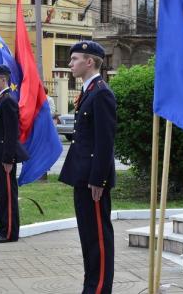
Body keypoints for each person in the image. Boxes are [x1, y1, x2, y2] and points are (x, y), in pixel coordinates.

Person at [59, 41, 117, 294]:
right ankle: (91, 285)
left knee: (99, 239)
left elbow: (105, 140)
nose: (70, 64)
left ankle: (99, 288)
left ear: (90, 62)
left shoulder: (101, 92)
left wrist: (98, 179)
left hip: (93, 179)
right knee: (88, 237)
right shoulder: (89, 90)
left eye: (74, 59)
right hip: (83, 176)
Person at [0, 64, 29, 244]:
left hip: (5, 157)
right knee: (1, 194)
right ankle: (3, 229)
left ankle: (9, 233)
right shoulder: (1, 99)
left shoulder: (8, 100)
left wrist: (8, 158)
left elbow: (11, 132)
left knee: (7, 195)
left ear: (4, 79)